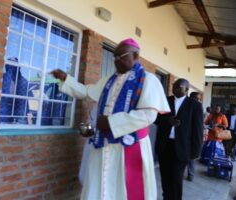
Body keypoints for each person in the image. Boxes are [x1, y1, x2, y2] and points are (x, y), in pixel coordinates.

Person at [51, 38, 170, 200]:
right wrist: (66, 79)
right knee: (98, 187)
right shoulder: (109, 80)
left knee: (124, 190)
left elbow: (148, 115)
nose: (116, 60)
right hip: (103, 143)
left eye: (121, 56)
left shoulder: (148, 80)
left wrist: (112, 122)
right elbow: (87, 92)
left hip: (130, 145)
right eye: (115, 57)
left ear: (135, 55)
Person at [155, 79, 203, 200]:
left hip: (182, 148)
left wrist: (195, 152)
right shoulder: (165, 101)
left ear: (186, 90)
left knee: (176, 179)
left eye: (179, 86)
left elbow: (198, 130)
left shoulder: (195, 105)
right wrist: (168, 121)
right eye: (174, 85)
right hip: (165, 146)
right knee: (165, 177)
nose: (175, 88)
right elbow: (155, 119)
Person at [186, 92, 202, 181]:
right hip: (183, 138)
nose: (198, 101)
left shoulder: (199, 108)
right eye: (196, 98)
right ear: (191, 98)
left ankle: (190, 174)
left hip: (193, 139)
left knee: (191, 158)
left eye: (199, 99)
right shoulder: (184, 107)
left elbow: (199, 128)